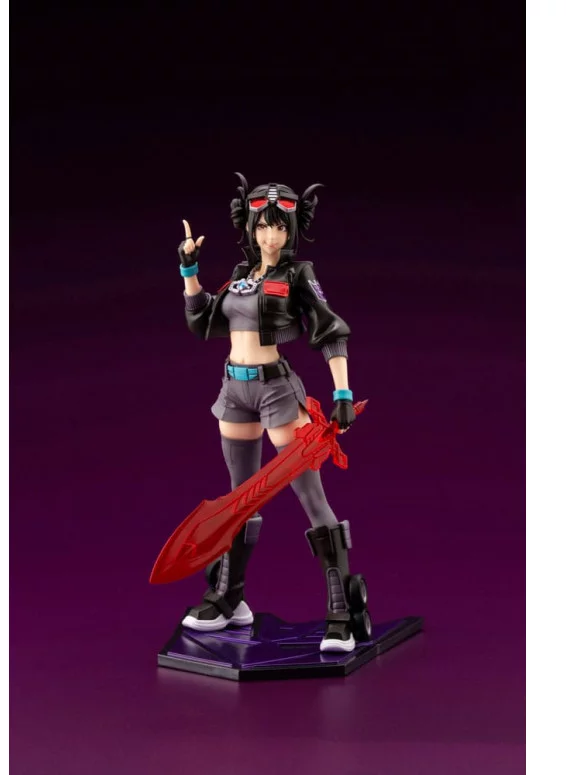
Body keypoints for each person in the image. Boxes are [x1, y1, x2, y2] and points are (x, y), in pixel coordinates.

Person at [176, 174, 370, 652]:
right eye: (262, 227)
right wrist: (189, 268)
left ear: (291, 230)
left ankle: (341, 611)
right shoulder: (240, 277)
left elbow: (330, 330)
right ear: (250, 228)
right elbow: (202, 320)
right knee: (240, 497)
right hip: (234, 390)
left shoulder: (298, 275)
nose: (270, 236)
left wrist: (342, 393)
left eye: (279, 227)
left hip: (275, 391)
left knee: (309, 495)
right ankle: (229, 597)